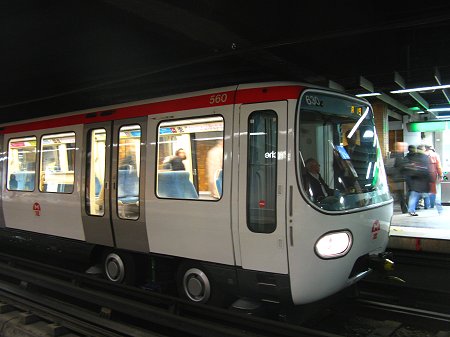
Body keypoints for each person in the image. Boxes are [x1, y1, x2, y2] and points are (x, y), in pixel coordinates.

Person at [402, 145, 432, 216]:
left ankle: (411, 209)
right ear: (423, 150)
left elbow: (407, 167)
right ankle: (427, 206)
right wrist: (429, 178)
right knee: (420, 194)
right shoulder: (425, 157)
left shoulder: (412, 156)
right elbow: (427, 169)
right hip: (422, 179)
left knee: (414, 194)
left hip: (413, 178)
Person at [425, 145, 443, 214]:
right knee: (436, 191)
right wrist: (441, 175)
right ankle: (439, 208)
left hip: (425, 176)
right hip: (434, 175)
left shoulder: (423, 155)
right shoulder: (435, 155)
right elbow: (439, 167)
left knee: (428, 191)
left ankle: (428, 205)